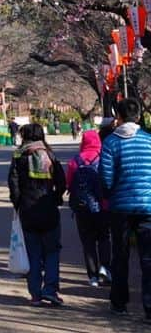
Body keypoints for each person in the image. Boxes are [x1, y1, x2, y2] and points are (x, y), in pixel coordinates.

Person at [99, 97, 151, 318]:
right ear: (139, 116)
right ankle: (149, 307)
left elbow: (105, 177)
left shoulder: (111, 142)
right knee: (148, 258)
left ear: (118, 118)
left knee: (120, 256)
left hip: (120, 208)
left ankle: (119, 303)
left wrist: (110, 196)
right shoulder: (149, 140)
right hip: (148, 206)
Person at [8, 122, 66, 306]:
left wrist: (18, 204)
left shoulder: (18, 156)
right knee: (51, 251)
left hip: (27, 209)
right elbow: (62, 181)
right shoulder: (49, 154)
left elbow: (13, 184)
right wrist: (56, 197)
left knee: (32, 252)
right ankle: (50, 289)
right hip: (48, 208)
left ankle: (35, 294)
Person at [65, 128, 111, 287]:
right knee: (104, 238)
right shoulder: (103, 157)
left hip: (81, 207)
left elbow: (69, 184)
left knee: (88, 241)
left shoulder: (75, 161)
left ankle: (92, 276)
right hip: (102, 206)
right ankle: (105, 269)